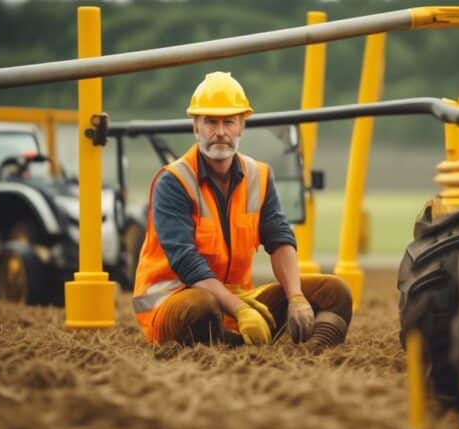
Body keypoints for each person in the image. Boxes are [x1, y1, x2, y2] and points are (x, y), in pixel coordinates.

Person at [132, 72, 352, 348]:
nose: (220, 132)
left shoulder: (258, 175)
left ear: (242, 127)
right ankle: (237, 344)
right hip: (174, 304)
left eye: (229, 122)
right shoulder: (173, 182)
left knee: (335, 292)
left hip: (237, 303)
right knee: (202, 307)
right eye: (211, 122)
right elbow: (185, 261)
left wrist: (295, 297)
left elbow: (280, 239)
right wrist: (241, 310)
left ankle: (309, 355)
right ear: (196, 127)